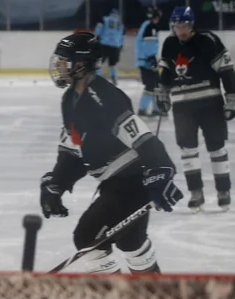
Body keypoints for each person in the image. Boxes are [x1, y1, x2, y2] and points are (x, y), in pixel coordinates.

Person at [42, 32, 183, 275]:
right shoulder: (69, 100)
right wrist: (57, 183)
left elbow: (140, 136)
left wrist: (160, 169)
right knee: (131, 240)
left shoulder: (104, 96)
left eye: (65, 60)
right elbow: (73, 151)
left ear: (82, 63)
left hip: (132, 182)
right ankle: (155, 297)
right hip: (115, 183)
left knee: (87, 237)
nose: (59, 66)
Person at [155, 6, 233, 212]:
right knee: (187, 149)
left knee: (216, 148)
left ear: (191, 25)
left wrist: (231, 98)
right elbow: (165, 72)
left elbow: (226, 70)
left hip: (210, 104)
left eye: (185, 26)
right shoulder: (170, 44)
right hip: (182, 106)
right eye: (177, 26)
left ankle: (223, 191)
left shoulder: (208, 40)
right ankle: (196, 193)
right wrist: (162, 93)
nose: (181, 30)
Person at [135, 6, 162, 117]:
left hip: (144, 61)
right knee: (151, 85)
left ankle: (156, 109)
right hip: (146, 62)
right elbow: (149, 45)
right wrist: (152, 60)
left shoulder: (146, 25)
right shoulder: (151, 27)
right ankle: (142, 109)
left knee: (155, 85)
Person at [95, 8, 124, 85]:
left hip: (104, 44)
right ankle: (114, 78)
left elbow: (99, 28)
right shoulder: (120, 24)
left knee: (99, 62)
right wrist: (121, 45)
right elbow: (121, 36)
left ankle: (98, 79)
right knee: (113, 65)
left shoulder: (105, 19)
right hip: (115, 46)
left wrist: (96, 37)